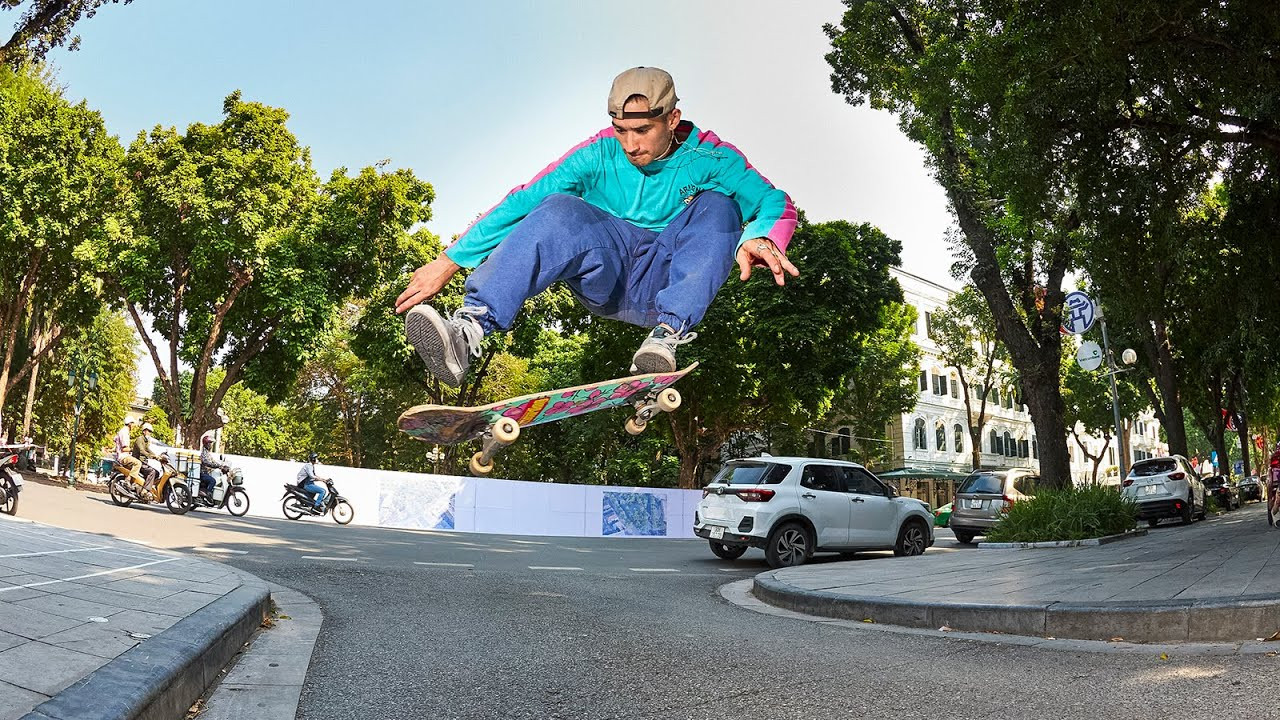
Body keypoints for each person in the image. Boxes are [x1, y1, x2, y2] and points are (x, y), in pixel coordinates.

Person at [396, 66, 799, 387]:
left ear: (672, 119)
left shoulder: (712, 157)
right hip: (607, 275)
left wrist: (762, 235)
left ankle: (665, 337)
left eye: (643, 131)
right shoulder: (596, 153)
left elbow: (775, 202)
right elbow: (522, 202)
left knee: (720, 205)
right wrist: (448, 261)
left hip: (666, 281)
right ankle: (468, 331)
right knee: (558, 206)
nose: (630, 144)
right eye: (622, 130)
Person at [131, 422, 162, 499]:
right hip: (138, 462)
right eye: (148, 431)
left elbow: (148, 450)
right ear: (144, 431)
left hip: (144, 462)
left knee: (157, 473)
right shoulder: (139, 439)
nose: (149, 433)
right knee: (152, 471)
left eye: (150, 432)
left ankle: (146, 487)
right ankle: (144, 490)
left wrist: (157, 456)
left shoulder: (146, 441)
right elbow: (142, 451)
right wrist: (151, 456)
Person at [199, 435, 230, 502]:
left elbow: (213, 461)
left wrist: (221, 465)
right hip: (203, 473)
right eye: (210, 443)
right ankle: (207, 495)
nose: (211, 445)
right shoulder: (204, 453)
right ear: (206, 444)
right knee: (213, 481)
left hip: (206, 473)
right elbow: (207, 463)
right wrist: (218, 466)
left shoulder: (207, 453)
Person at [113, 418, 143, 485]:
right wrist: (134, 449)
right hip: (123, 457)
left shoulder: (123, 431)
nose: (133, 426)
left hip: (122, 456)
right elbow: (124, 448)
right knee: (138, 463)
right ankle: (128, 479)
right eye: (132, 424)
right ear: (129, 424)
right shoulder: (124, 432)